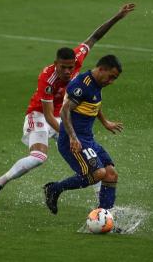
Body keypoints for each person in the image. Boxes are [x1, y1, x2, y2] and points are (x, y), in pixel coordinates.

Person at [0, 3, 135, 207]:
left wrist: (117, 16)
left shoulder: (78, 59)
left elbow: (95, 36)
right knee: (38, 157)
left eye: (70, 68)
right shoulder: (48, 79)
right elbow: (47, 115)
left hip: (63, 115)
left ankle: (102, 210)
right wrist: (70, 135)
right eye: (63, 68)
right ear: (56, 64)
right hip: (40, 115)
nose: (66, 71)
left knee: (93, 163)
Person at [44, 54, 124, 214]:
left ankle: (104, 215)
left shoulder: (96, 83)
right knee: (98, 173)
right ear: (102, 69)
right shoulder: (82, 84)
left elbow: (94, 103)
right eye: (111, 77)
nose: (111, 82)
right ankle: (54, 189)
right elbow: (65, 110)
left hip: (87, 139)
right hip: (72, 141)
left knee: (111, 174)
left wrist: (105, 121)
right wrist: (73, 138)